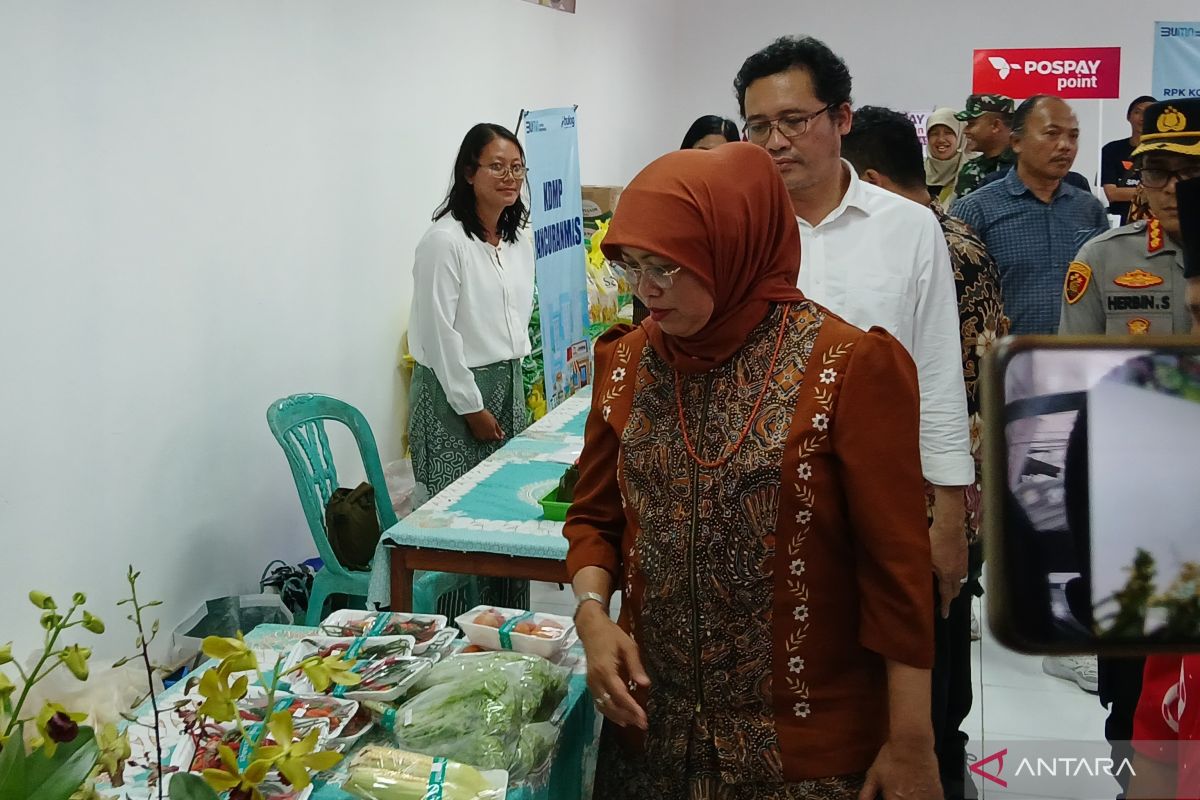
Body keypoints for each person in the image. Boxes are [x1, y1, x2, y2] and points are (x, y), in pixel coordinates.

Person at [564, 142, 940, 800]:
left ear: (731, 246)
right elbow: (596, 516)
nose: (646, 290)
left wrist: (911, 740)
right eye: (632, 267)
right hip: (654, 736)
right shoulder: (625, 363)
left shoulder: (846, 367)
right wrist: (594, 616)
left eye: (668, 267)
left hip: (806, 751)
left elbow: (895, 572)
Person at [735, 35, 974, 620]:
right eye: (759, 126)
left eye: (793, 120)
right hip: (757, 502)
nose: (776, 141)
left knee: (888, 675)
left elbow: (938, 375)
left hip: (883, 498)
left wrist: (949, 514)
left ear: (841, 117)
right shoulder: (736, 229)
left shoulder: (910, 228)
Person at [842, 105, 1010, 800]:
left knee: (921, 645)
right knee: (939, 641)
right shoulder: (963, 235)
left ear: (873, 178)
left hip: (929, 492)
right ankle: (942, 758)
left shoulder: (916, 243)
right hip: (961, 490)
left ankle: (929, 768)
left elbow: (940, 387)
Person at [407, 122, 534, 606]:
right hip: (452, 395)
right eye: (496, 166)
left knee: (508, 518)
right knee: (460, 524)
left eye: (517, 167)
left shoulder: (519, 239)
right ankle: (458, 642)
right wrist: (470, 406)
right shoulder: (444, 242)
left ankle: (509, 631)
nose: (509, 176)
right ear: (468, 172)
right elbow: (441, 336)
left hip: (508, 385)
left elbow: (513, 320)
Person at [953, 95, 1109, 336]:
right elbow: (956, 299)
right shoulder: (975, 210)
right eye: (1052, 133)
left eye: (1073, 136)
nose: (1065, 145)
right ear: (1016, 142)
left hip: (1079, 360)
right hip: (1008, 363)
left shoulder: (1090, 210)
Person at [1060, 98, 1200, 336]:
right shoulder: (1102, 258)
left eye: (1192, 171)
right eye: (1156, 172)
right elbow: (1074, 368)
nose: (1173, 187)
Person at [1100, 95, 1157, 223]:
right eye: (1138, 112)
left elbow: (1169, 194)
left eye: (1148, 113)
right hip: (1122, 224)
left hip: (1157, 225)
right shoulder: (1111, 150)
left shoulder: (1165, 152)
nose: (1142, 118)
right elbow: (1112, 194)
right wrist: (1154, 193)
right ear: (1128, 116)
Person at [953, 94, 1016, 199]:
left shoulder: (1026, 167)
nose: (965, 131)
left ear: (996, 125)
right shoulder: (970, 169)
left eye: (971, 124)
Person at [925, 107, 967, 205]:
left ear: (960, 135)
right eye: (934, 133)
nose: (941, 139)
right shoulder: (916, 172)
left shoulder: (973, 170)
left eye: (948, 133)